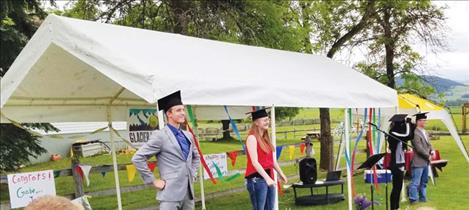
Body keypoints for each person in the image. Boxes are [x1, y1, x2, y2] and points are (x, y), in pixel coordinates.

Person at [132, 91, 200, 210]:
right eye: (178, 110)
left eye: (183, 110)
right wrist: (153, 181)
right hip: (169, 195)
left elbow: (196, 156)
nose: (183, 113)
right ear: (169, 114)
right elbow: (137, 158)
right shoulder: (160, 136)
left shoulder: (188, 135)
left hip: (188, 195)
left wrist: (192, 173)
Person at [244, 108, 287, 210]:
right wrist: (267, 178)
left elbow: (272, 161)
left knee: (270, 208)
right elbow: (255, 162)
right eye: (264, 120)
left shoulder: (266, 138)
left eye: (268, 119)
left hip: (269, 177)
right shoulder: (252, 138)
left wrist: (281, 174)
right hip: (256, 179)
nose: (267, 122)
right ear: (256, 123)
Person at [387, 114, 415, 210]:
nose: (403, 124)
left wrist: (410, 124)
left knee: (398, 188)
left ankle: (397, 207)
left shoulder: (397, 133)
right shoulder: (393, 133)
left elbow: (410, 136)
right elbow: (407, 135)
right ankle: (393, 208)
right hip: (395, 163)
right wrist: (407, 124)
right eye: (402, 123)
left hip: (400, 162)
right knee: (395, 188)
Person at [409, 112, 432, 204]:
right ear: (418, 121)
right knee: (415, 182)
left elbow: (428, 144)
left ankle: (423, 198)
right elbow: (419, 148)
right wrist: (428, 155)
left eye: (425, 120)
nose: (425, 122)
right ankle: (413, 199)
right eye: (423, 120)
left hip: (425, 162)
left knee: (424, 182)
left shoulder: (425, 132)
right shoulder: (415, 133)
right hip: (418, 161)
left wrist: (432, 150)